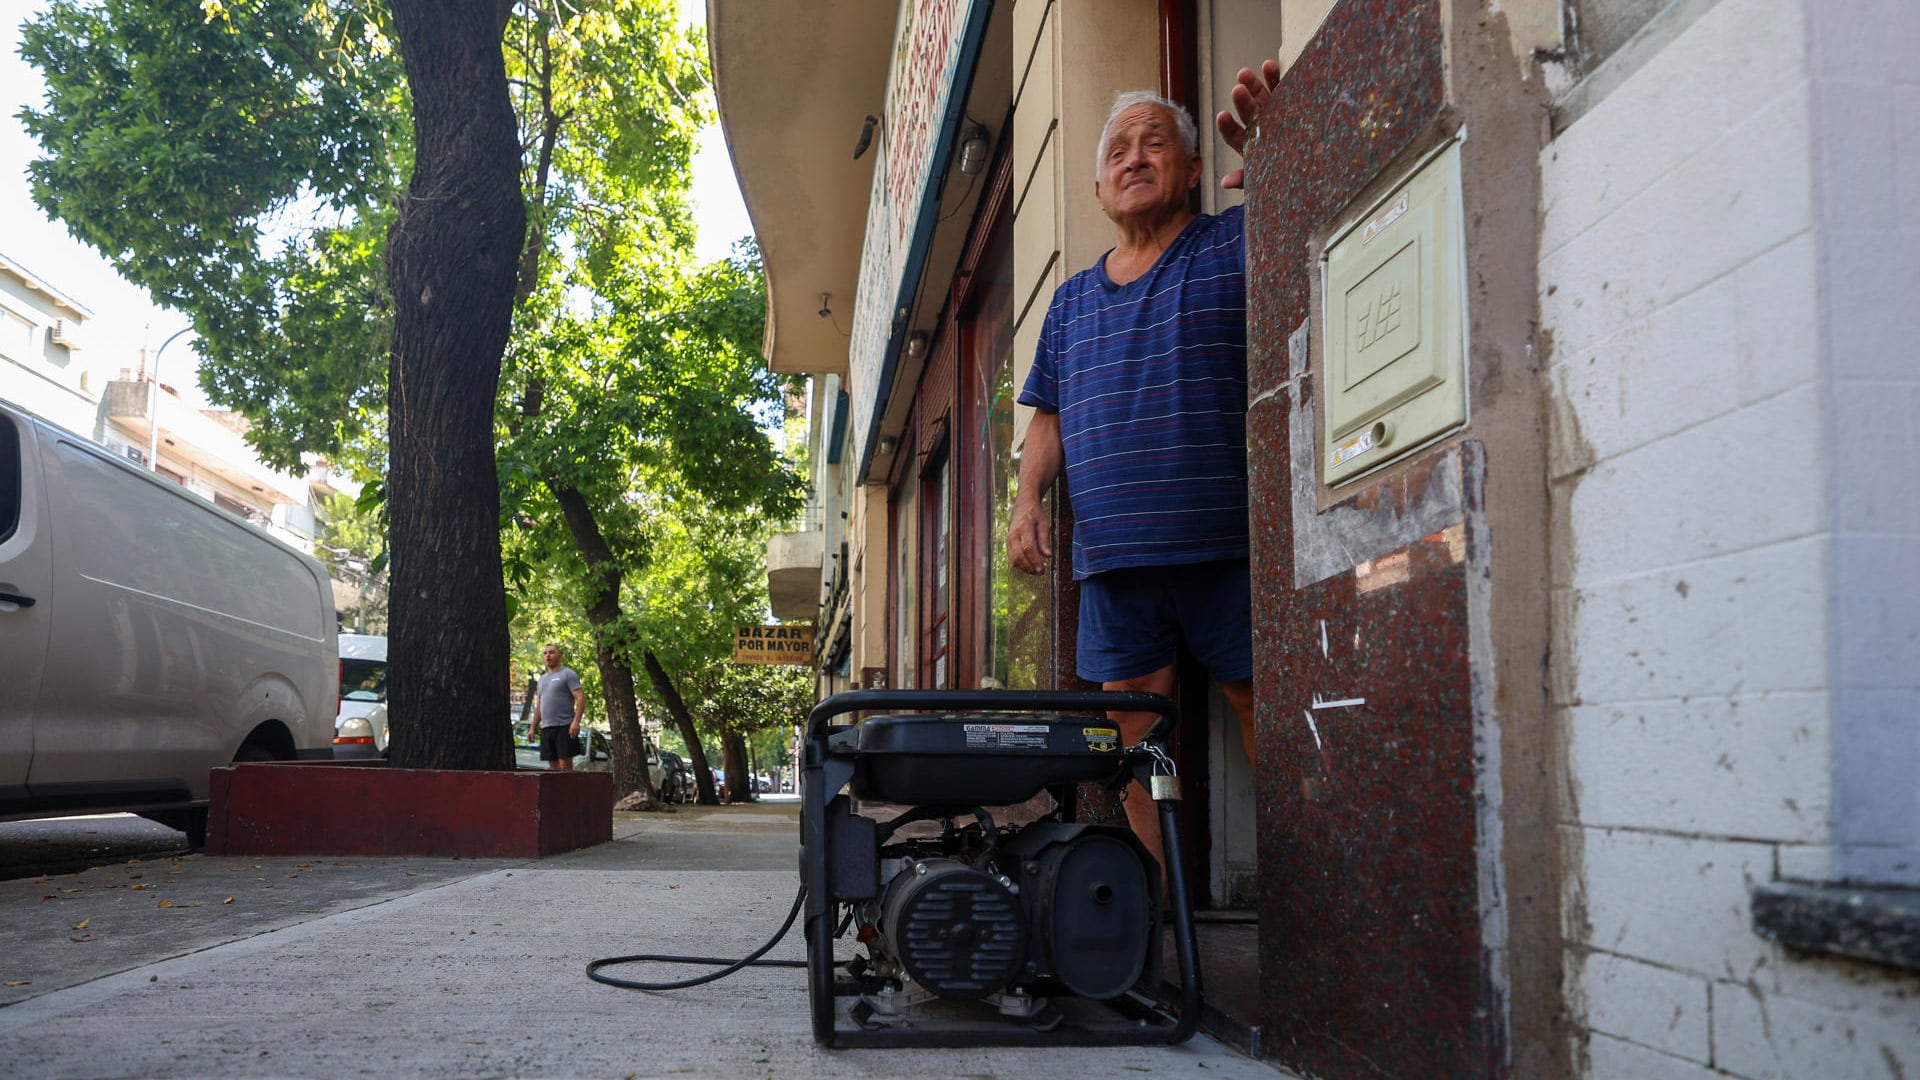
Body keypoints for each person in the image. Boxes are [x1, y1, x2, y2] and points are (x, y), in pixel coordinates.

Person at [1008, 63, 1280, 861]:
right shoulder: (1068, 302)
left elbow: (1312, 236)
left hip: (1230, 547)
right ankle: (1149, 939)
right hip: (1116, 562)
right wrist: (1025, 501)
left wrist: (1281, 156)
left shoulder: (1230, 242)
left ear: (1193, 170)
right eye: (1117, 150)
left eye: (1153, 143)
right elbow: (1047, 418)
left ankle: (1305, 912)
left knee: (1271, 717)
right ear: (1097, 187)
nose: (1133, 158)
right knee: (1135, 750)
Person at [529, 644, 585, 772]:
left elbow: (581, 698)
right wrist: (532, 727)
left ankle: (568, 792)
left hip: (564, 726)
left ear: (560, 656)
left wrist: (576, 722)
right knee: (553, 768)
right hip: (547, 727)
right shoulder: (542, 679)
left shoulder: (568, 674)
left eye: (552, 652)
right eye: (545, 653)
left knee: (564, 766)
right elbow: (539, 705)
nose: (548, 655)